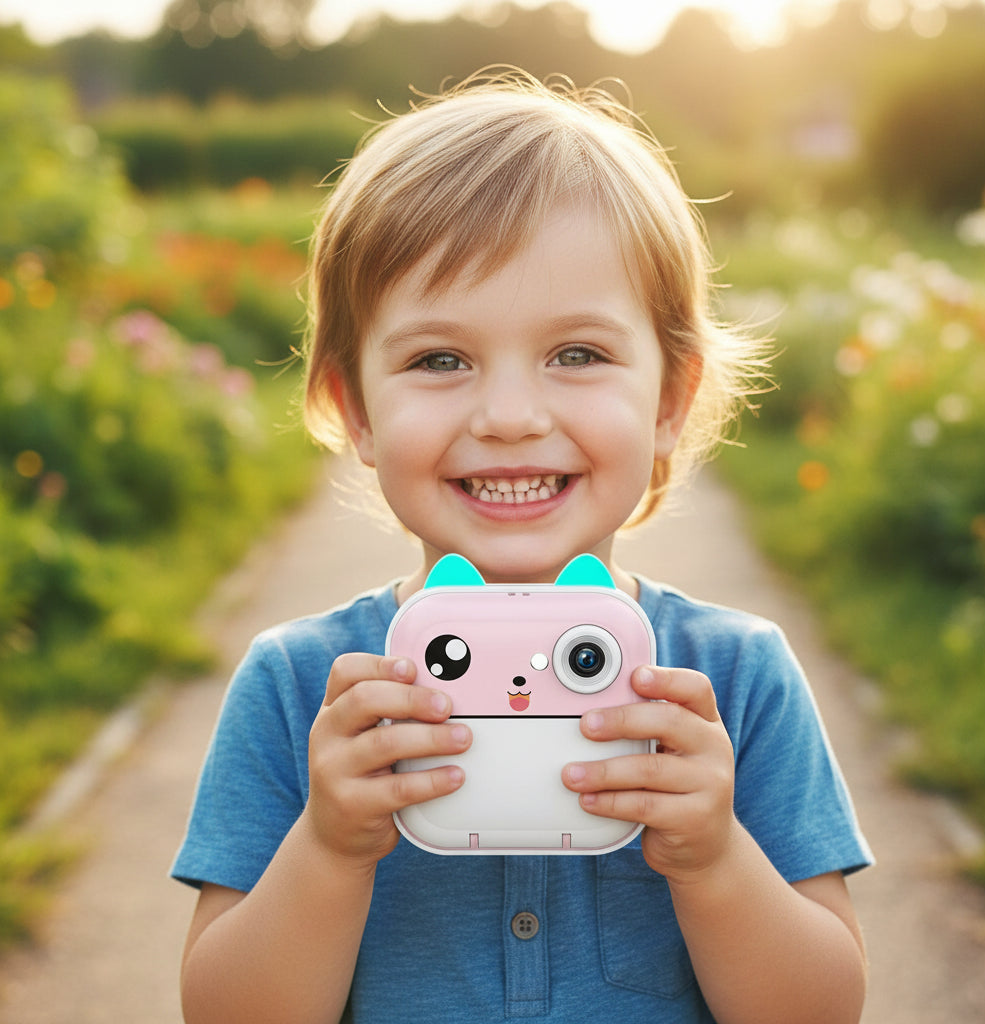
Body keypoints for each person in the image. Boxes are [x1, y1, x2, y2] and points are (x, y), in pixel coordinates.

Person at [172, 67, 872, 1024]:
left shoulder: (731, 680)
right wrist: (331, 848)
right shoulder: (304, 690)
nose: (508, 416)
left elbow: (820, 1011)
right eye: (439, 360)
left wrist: (714, 860)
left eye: (576, 354)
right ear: (353, 408)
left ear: (668, 399)